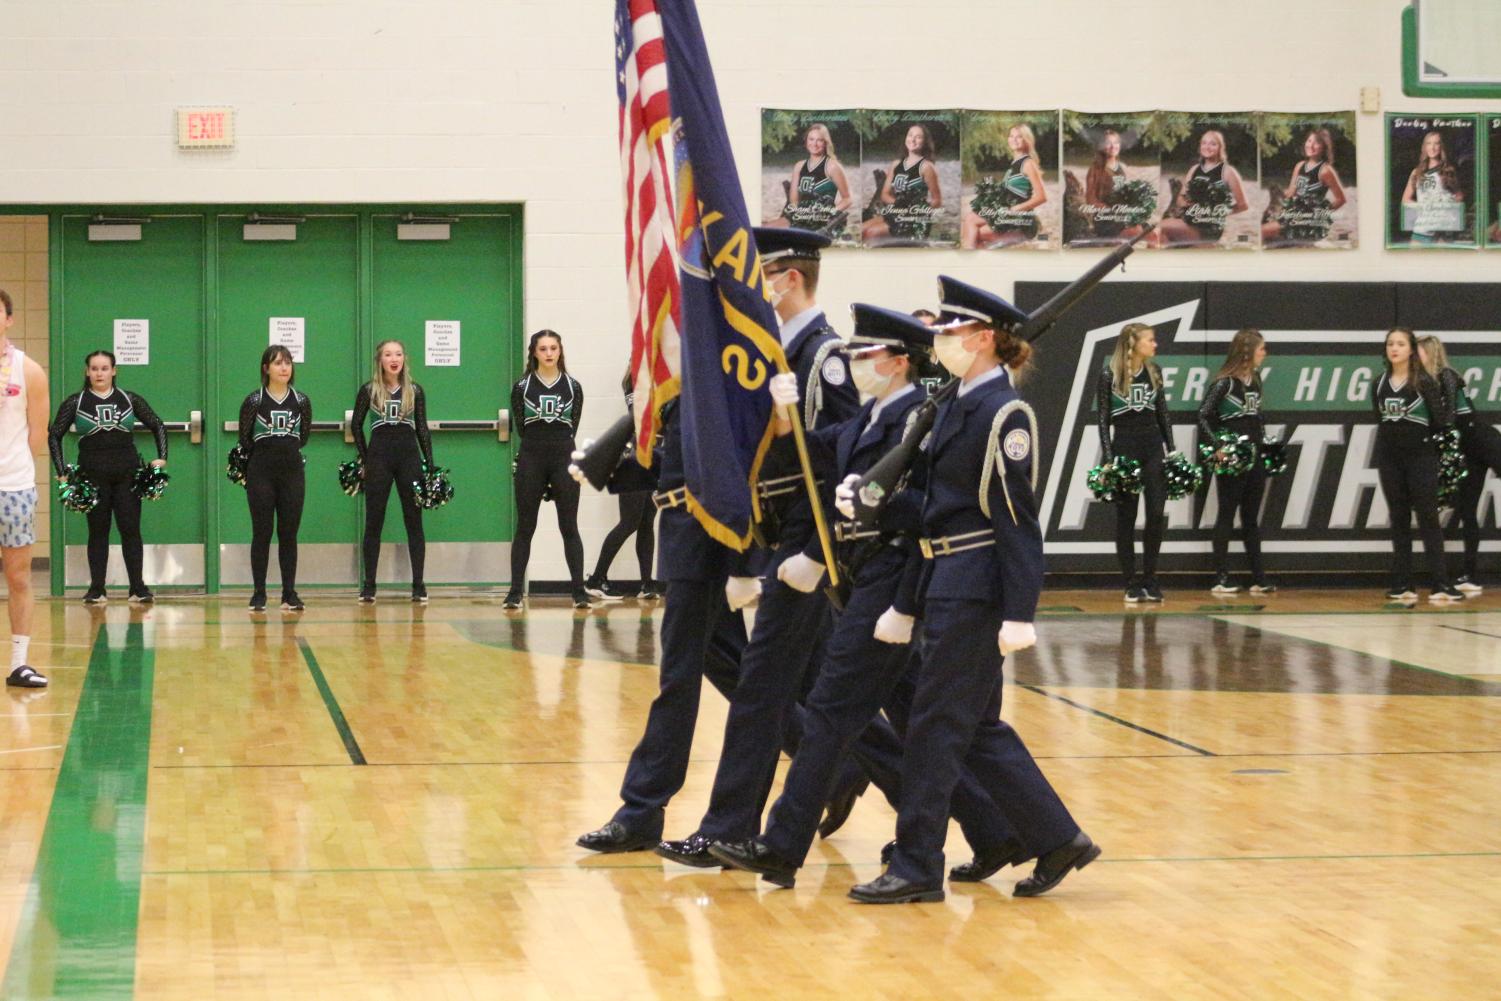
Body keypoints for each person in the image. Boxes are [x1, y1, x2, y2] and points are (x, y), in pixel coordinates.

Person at [710, 301, 1030, 889]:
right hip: (870, 584)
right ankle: (993, 830)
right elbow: (809, 454)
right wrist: (781, 413)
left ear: (898, 361)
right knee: (907, 719)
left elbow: (936, 513)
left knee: (837, 711)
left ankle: (782, 846)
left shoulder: (918, 415)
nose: (856, 361)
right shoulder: (869, 416)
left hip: (894, 585)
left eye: (867, 353)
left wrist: (907, 603)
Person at [848, 279, 1097, 904]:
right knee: (975, 728)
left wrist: (1019, 610)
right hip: (943, 582)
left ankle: (916, 866)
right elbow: (934, 508)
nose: (941, 342)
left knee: (933, 728)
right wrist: (875, 503)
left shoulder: (1004, 414)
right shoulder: (953, 404)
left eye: (952, 333)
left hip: (976, 589)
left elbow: (1016, 519)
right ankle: (1059, 837)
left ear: (985, 338)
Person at [655, 226, 863, 867]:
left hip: (805, 552)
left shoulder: (821, 356)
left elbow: (838, 459)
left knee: (785, 693)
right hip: (777, 547)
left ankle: (734, 826)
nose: (751, 288)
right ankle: (748, 820)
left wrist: (811, 554)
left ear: (788, 278)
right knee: (790, 694)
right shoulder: (775, 353)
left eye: (760, 274)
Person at [48, 349, 167, 604]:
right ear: (87, 372)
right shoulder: (75, 402)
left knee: (130, 529)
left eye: (104, 368)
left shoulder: (129, 398)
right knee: (98, 531)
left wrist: (162, 457)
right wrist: (61, 473)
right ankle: (97, 588)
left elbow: (157, 424)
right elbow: (54, 434)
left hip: (127, 475)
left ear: (114, 371)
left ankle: (138, 587)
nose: (99, 373)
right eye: (94, 368)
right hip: (92, 476)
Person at [1373, 328, 1461, 603]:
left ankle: (1440, 584)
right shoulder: (1378, 383)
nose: (1394, 348)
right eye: (1390, 344)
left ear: (1411, 349)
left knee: (1428, 520)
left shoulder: (1424, 382)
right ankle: (1403, 584)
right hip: (1389, 459)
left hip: (1421, 458)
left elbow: (1441, 421)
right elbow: (1380, 418)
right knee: (1399, 519)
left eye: (1400, 344)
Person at [505, 329, 587, 609]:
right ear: (534, 353)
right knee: (525, 526)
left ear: (560, 351)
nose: (549, 353)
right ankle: (515, 591)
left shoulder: (573, 387)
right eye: (543, 349)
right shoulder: (521, 387)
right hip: (532, 458)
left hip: (564, 457)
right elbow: (520, 426)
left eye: (554, 348)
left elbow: (572, 426)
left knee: (569, 526)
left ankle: (579, 591)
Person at [351, 340, 433, 604]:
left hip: (409, 458)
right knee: (374, 520)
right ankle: (369, 585)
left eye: (398, 354)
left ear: (404, 359)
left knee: (414, 520)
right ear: (380, 360)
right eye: (388, 354)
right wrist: (366, 458)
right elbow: (355, 425)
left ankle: (418, 584)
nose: (393, 359)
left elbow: (422, 428)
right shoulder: (369, 390)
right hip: (379, 459)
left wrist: (429, 464)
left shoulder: (415, 391)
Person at [1097, 322, 1173, 602]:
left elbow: (1163, 413)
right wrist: (1108, 459)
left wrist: (1172, 450)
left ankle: (1151, 579)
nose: (1155, 345)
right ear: (1133, 343)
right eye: (1150, 340)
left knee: (1155, 513)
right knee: (1126, 517)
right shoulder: (1109, 374)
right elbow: (1103, 420)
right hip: (1125, 447)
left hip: (1153, 446)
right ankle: (1131, 582)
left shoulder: (1154, 371)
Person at [1420, 335, 1501, 594]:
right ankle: (1471, 575)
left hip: (1483, 439)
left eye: (1419, 353)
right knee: (1467, 510)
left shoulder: (1447, 375)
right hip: (1467, 449)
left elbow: (1451, 416)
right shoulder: (1426, 382)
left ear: (1430, 353)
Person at [1199, 329, 1274, 594]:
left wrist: (1266, 443)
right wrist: (1219, 446)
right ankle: (1221, 577)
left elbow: (1258, 417)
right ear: (1248, 352)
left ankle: (1259, 577)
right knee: (1227, 514)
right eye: (1261, 348)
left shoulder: (1255, 380)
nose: (1264, 353)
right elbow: (1204, 415)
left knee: (1251, 518)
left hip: (1255, 456)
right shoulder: (1224, 383)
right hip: (1233, 458)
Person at [1, 289, 50, 688]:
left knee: (18, 577)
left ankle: (19, 662)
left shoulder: (28, 370)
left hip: (13, 488)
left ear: (9, 319)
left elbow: (37, 432)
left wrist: (15, 467)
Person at [238, 345, 312, 612]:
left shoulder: (301, 401)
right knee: (262, 532)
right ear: (265, 368)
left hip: (292, 473)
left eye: (288, 362)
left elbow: (302, 437)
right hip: (261, 473)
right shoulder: (254, 401)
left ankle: (289, 593)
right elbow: (245, 439)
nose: (284, 367)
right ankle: (259, 593)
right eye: (278, 363)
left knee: (288, 534)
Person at [584, 368, 657, 601]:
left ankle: (646, 583)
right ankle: (596, 579)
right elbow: (642, 419)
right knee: (629, 522)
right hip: (634, 457)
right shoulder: (635, 379)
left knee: (647, 521)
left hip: (652, 455)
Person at [1156, 130, 1249, 246]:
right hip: (1189, 221)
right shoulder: (1194, 169)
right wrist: (1191, 204)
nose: (1207, 147)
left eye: (1212, 144)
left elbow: (1243, 205)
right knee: (1162, 236)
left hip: (1209, 229)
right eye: (1204, 143)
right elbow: (1180, 200)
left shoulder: (1228, 172)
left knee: (1160, 227)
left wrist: (1219, 211)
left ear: (1220, 147)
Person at [963, 123, 1048, 249]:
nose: (1014, 139)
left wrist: (1015, 209)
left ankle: (971, 260)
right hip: (1006, 216)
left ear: (1027, 140)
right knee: (970, 220)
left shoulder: (1028, 163)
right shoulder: (1015, 163)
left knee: (976, 232)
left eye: (1019, 137)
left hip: (1021, 221)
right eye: (1011, 136)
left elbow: (1042, 197)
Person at [1262, 128, 1347, 245]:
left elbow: (1341, 199)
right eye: (1309, 141)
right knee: (1264, 226)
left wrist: (1320, 214)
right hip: (1294, 216)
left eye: (1316, 143)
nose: (1311, 145)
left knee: (1262, 231)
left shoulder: (1326, 170)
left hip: (1309, 223)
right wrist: (1277, 196)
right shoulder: (1300, 165)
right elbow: (1291, 194)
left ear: (1324, 147)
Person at [862, 124, 943, 244]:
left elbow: (937, 201)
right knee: (862, 229)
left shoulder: (927, 167)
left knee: (871, 233)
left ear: (925, 142)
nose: (913, 139)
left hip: (914, 221)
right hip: (896, 214)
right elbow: (884, 194)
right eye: (910, 135)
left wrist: (917, 210)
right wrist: (899, 205)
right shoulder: (896, 164)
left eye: (918, 137)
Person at [773, 122, 853, 237]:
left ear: (825, 143)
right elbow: (794, 201)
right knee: (767, 227)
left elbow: (848, 198)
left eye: (819, 140)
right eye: (811, 139)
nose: (814, 144)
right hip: (800, 217)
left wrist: (829, 213)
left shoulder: (833, 166)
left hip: (822, 220)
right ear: (806, 141)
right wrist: (801, 215)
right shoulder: (799, 166)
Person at [1083, 128, 1148, 242]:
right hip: (1105, 219)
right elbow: (1090, 200)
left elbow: (1121, 195)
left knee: (1149, 230)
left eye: (1116, 143)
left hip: (1121, 214)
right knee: (1138, 231)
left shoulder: (1120, 169)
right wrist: (1112, 210)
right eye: (1109, 143)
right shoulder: (1095, 169)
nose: (1113, 146)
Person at [1400, 130, 1465, 244]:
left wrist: (1446, 205)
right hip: (1422, 229)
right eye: (1429, 143)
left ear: (1441, 147)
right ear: (1424, 147)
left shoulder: (1448, 171)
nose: (1433, 147)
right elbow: (1405, 200)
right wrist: (1423, 206)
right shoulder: (1417, 172)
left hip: (1442, 231)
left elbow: (1459, 196)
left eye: (1436, 143)